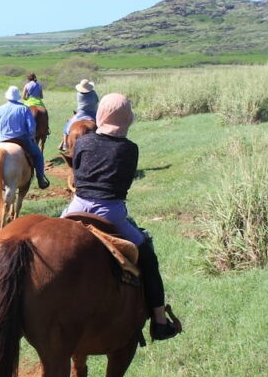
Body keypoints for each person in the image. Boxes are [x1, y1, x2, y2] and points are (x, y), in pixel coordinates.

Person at [60, 93, 179, 341]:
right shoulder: (130, 149)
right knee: (147, 255)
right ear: (127, 119)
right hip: (111, 213)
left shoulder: (82, 143)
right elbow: (124, 184)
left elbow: (77, 175)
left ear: (101, 115)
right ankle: (159, 320)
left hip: (76, 208)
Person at [0, 85, 50, 189]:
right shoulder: (24, 108)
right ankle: (41, 179)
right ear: (18, 97)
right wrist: (31, 137)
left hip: (2, 138)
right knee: (38, 156)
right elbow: (32, 127)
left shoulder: (0, 109)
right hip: (21, 139)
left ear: (7, 97)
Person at [61, 79, 100, 152]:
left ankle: (65, 144)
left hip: (80, 113)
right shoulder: (93, 93)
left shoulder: (79, 94)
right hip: (92, 113)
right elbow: (96, 103)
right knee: (102, 127)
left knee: (67, 125)